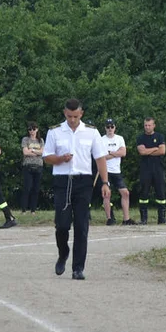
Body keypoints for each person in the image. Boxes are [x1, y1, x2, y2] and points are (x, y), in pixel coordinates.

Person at [42, 98, 111, 280]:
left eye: (75, 116)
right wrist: (60, 159)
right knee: (62, 224)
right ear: (65, 113)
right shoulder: (55, 131)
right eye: (69, 116)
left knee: (82, 225)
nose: (72, 119)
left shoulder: (91, 132)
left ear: (81, 114)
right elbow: (47, 157)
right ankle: (63, 252)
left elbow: (100, 159)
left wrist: (105, 183)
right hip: (62, 181)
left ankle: (78, 268)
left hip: (83, 182)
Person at [99, 119, 135, 226]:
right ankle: (110, 218)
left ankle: (126, 219)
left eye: (112, 126)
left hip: (116, 171)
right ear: (105, 128)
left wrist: (110, 153)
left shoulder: (120, 138)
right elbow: (101, 156)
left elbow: (123, 153)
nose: (110, 129)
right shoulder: (101, 140)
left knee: (125, 193)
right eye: (108, 127)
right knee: (107, 195)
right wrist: (116, 153)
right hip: (105, 170)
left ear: (115, 127)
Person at [135, 117, 166, 224]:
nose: (147, 127)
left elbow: (162, 151)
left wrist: (148, 150)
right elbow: (142, 152)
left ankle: (162, 218)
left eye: (149, 125)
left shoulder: (159, 136)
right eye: (145, 125)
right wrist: (155, 148)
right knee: (144, 193)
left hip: (158, 168)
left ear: (154, 125)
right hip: (145, 169)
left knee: (161, 193)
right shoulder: (140, 138)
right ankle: (143, 219)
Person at [20, 123, 45, 214]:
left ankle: (33, 210)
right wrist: (36, 153)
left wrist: (33, 150)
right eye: (30, 129)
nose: (31, 131)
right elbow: (25, 152)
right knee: (27, 188)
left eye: (33, 129)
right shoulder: (25, 139)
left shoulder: (40, 140)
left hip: (39, 166)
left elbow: (43, 152)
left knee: (36, 188)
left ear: (37, 129)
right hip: (28, 166)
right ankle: (23, 209)